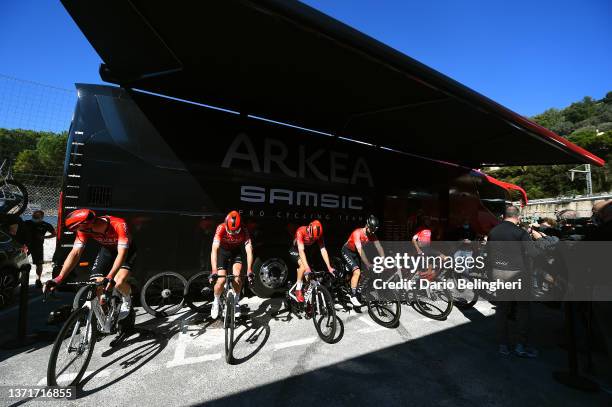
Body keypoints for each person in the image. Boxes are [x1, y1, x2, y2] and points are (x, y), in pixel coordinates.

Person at [44, 209, 137, 322]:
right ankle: (105, 318)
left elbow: (122, 254)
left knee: (118, 282)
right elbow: (75, 253)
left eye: (77, 229)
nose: (78, 231)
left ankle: (127, 299)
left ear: (85, 225)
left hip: (126, 251)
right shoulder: (84, 229)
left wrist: (110, 277)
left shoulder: (118, 224)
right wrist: (59, 278)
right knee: (97, 283)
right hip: (107, 250)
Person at [487, 205, 542, 358]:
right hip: (518, 274)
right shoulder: (520, 232)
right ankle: (521, 345)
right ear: (518, 217)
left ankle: (503, 345)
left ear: (503, 216)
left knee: (502, 309)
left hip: (498, 272)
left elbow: (488, 253)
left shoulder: (493, 231)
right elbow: (533, 253)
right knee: (523, 310)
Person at [209, 210, 254, 319]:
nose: (232, 234)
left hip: (235, 253)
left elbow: (249, 250)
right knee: (221, 280)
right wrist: (214, 270)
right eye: (230, 231)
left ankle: (236, 301)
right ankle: (215, 301)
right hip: (223, 253)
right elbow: (214, 249)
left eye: (235, 231)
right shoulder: (221, 228)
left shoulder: (244, 230)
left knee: (237, 278)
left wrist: (249, 270)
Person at [342, 215, 385, 306]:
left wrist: (384, 260)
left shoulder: (372, 234)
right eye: (371, 229)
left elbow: (379, 247)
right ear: (367, 225)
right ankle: (352, 295)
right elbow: (360, 250)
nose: (372, 232)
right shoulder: (357, 233)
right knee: (357, 271)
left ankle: (359, 288)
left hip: (357, 253)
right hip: (347, 251)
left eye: (374, 230)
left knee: (366, 271)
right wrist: (368, 263)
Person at [289, 220, 335, 303]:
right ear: (308, 229)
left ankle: (308, 300)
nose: (313, 239)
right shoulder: (301, 231)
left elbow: (323, 250)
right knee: (303, 267)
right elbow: (301, 251)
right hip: (296, 250)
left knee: (311, 276)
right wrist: (306, 268)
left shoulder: (318, 235)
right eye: (312, 237)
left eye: (315, 238)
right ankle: (298, 289)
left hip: (306, 251)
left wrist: (329, 267)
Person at [23, 210, 55, 288]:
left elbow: (54, 234)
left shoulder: (45, 225)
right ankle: (22, 280)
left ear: (42, 217)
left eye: (37, 216)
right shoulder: (26, 223)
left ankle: (38, 280)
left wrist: (44, 237)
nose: (35, 216)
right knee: (22, 263)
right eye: (34, 215)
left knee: (39, 263)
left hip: (38, 246)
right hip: (26, 246)